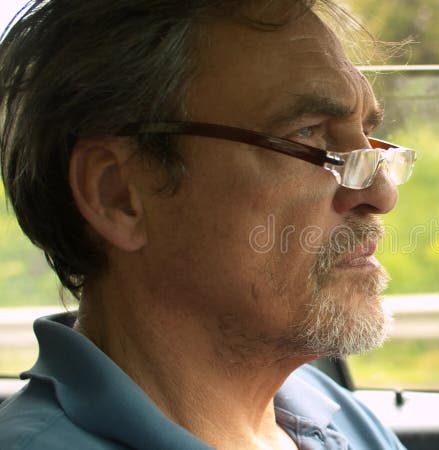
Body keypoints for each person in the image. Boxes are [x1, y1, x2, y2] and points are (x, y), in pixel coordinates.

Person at [0, 0, 415, 448]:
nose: (381, 195)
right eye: (306, 133)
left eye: (369, 141)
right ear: (118, 195)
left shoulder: (333, 415)